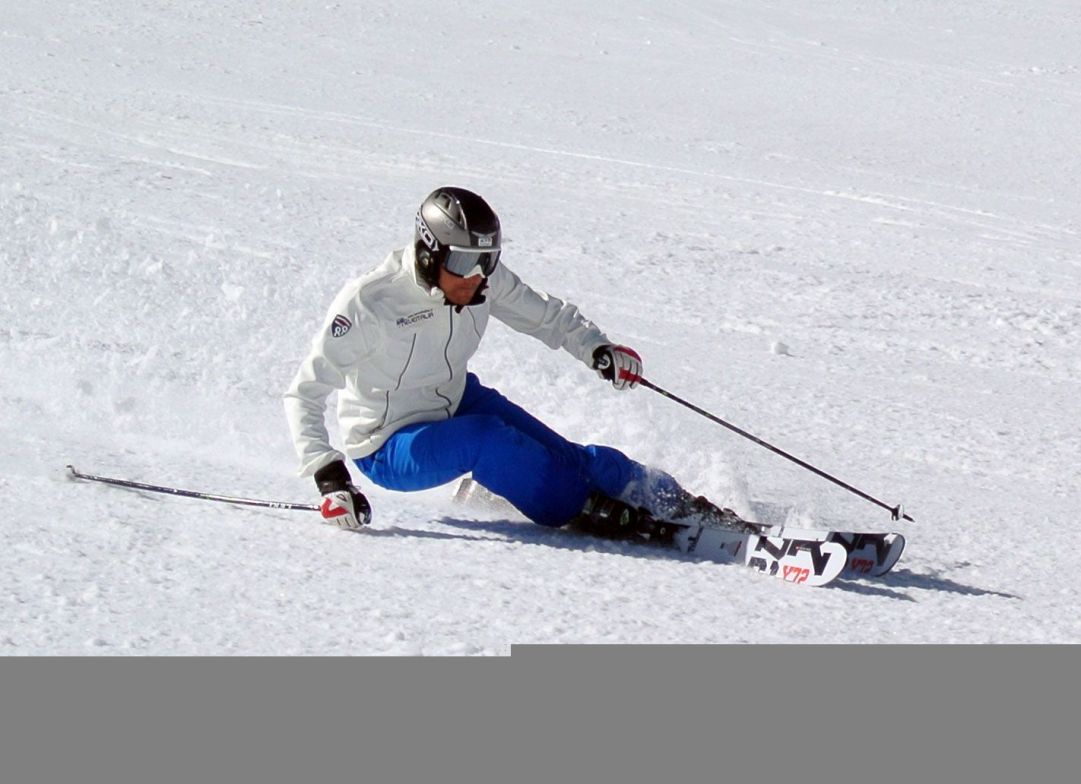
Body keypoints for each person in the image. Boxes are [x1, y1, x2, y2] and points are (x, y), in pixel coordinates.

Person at [284, 186, 737, 539]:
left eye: (488, 259)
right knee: (488, 439)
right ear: (429, 252)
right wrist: (328, 475)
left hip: (454, 403)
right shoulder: (370, 302)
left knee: (578, 460)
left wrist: (597, 349)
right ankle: (582, 509)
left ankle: (677, 504)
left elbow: (547, 317)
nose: (479, 275)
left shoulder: (481, 280)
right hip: (388, 444)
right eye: (465, 260)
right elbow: (305, 390)